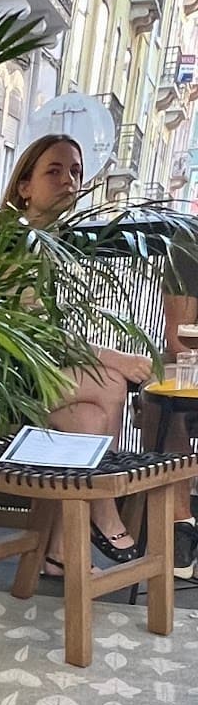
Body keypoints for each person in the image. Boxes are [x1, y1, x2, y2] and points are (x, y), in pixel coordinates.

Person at [1, 135, 153, 576]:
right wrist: (114, 357)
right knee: (109, 382)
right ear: (24, 186)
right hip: (1, 382)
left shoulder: (50, 242)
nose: (68, 180)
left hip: (34, 375)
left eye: (75, 171)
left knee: (89, 419)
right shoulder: (17, 241)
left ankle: (60, 552)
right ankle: (103, 510)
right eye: (54, 170)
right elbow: (34, 334)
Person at [148, 225, 198, 578]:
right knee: (157, 395)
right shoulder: (191, 239)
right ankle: (180, 523)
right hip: (193, 364)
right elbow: (179, 337)